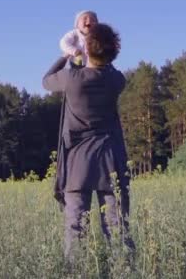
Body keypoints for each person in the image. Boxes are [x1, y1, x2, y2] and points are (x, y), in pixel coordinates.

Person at [43, 23, 134, 259]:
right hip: (112, 162)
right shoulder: (116, 80)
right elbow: (110, 68)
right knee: (117, 230)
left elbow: (46, 80)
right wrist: (96, 49)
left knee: (76, 233)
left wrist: (68, 55)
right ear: (113, 52)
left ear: (86, 47)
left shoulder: (73, 78)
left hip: (77, 167)